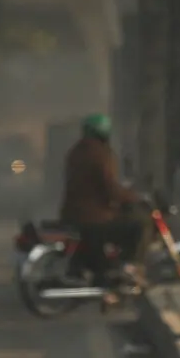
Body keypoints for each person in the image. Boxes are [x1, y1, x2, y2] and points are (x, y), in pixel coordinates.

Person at [58, 113, 150, 285]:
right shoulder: (100, 154)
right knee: (141, 223)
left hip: (74, 215)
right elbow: (110, 189)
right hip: (93, 219)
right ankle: (131, 268)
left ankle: (110, 269)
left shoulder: (76, 152)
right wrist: (133, 197)